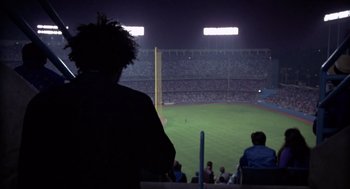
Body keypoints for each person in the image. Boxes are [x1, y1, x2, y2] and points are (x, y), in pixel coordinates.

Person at [18, 14, 175, 189]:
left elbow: (27, 169)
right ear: (121, 63)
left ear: (78, 58)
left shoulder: (42, 102)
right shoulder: (136, 103)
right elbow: (163, 161)